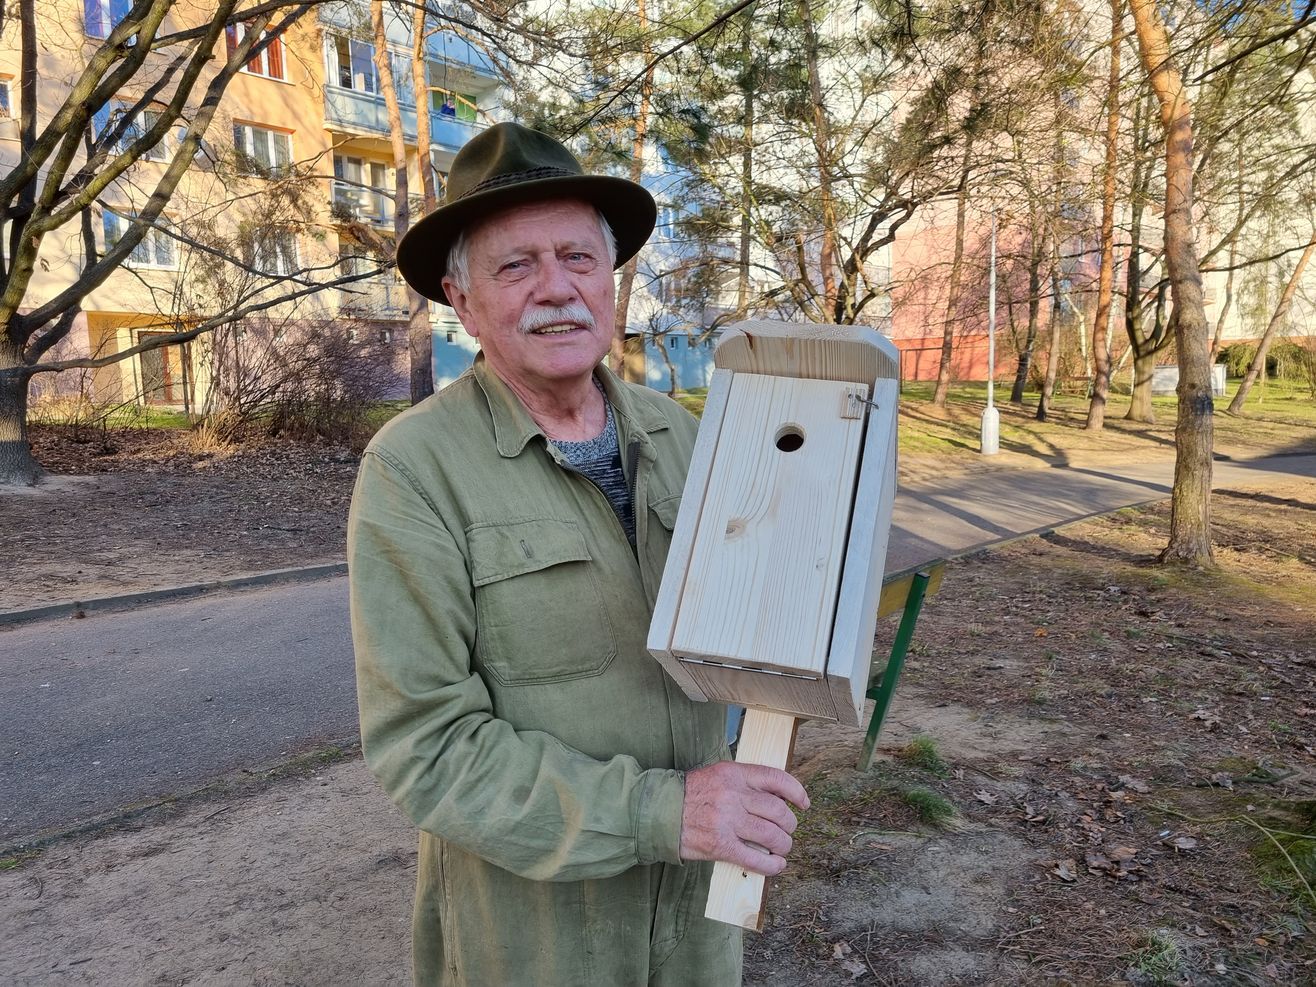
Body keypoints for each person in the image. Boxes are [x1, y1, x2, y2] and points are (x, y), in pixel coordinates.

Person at [348, 122, 810, 986]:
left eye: (578, 258)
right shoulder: (414, 469)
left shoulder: (684, 433)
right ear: (461, 297)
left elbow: (753, 620)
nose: (555, 288)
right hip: (534, 933)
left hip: (698, 910)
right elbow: (426, 745)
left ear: (612, 280)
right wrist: (665, 812)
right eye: (515, 265)